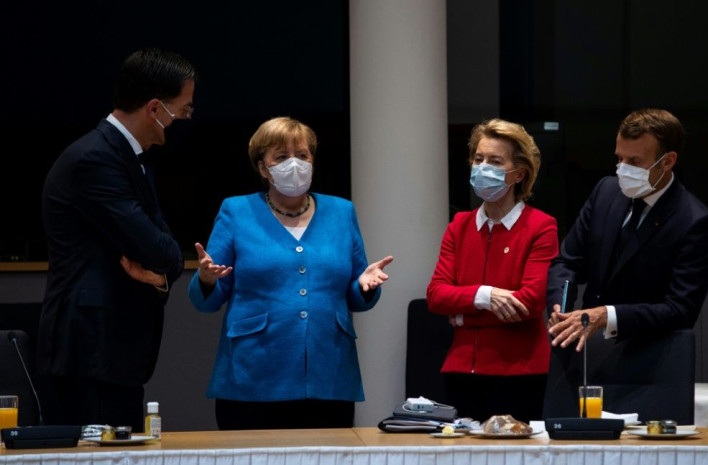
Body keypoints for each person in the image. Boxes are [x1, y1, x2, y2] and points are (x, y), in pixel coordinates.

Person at [188, 116, 393, 430]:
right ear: (262, 168)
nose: (294, 164)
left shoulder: (342, 212)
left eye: (302, 155)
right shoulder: (236, 211)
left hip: (330, 375)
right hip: (252, 378)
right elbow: (208, 300)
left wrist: (365, 285)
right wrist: (205, 279)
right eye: (282, 157)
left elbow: (355, 293)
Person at [37, 48, 197, 432]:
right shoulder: (95, 159)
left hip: (112, 355)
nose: (184, 119)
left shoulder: (129, 158)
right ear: (155, 108)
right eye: (184, 109)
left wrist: (159, 276)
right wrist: (164, 265)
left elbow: (167, 258)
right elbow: (159, 249)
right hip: (87, 354)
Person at [544, 108, 708, 417]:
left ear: (668, 161)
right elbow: (568, 262)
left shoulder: (694, 221)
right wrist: (563, 307)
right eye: (619, 158)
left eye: (635, 162)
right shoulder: (605, 192)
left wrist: (606, 316)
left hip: (648, 364)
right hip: (583, 355)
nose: (623, 168)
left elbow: (680, 309)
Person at [426, 119, 559, 423]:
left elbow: (529, 302)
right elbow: (435, 295)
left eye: (495, 161)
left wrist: (463, 314)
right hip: (461, 371)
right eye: (478, 159)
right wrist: (485, 296)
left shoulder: (541, 226)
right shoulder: (459, 226)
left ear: (519, 173)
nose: (483, 167)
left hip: (520, 372)